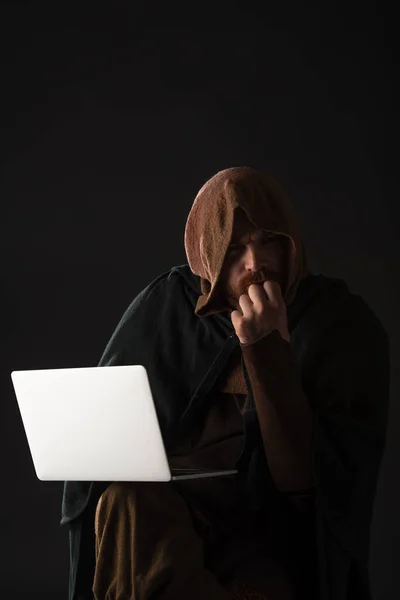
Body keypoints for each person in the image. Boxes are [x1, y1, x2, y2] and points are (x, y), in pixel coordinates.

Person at [61, 167, 390, 600]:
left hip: (268, 531)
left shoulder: (338, 323)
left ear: (291, 242)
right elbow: (100, 447)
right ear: (208, 253)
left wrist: (267, 348)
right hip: (177, 513)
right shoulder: (168, 307)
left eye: (269, 241)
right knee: (126, 502)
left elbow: (307, 488)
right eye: (235, 249)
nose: (255, 264)